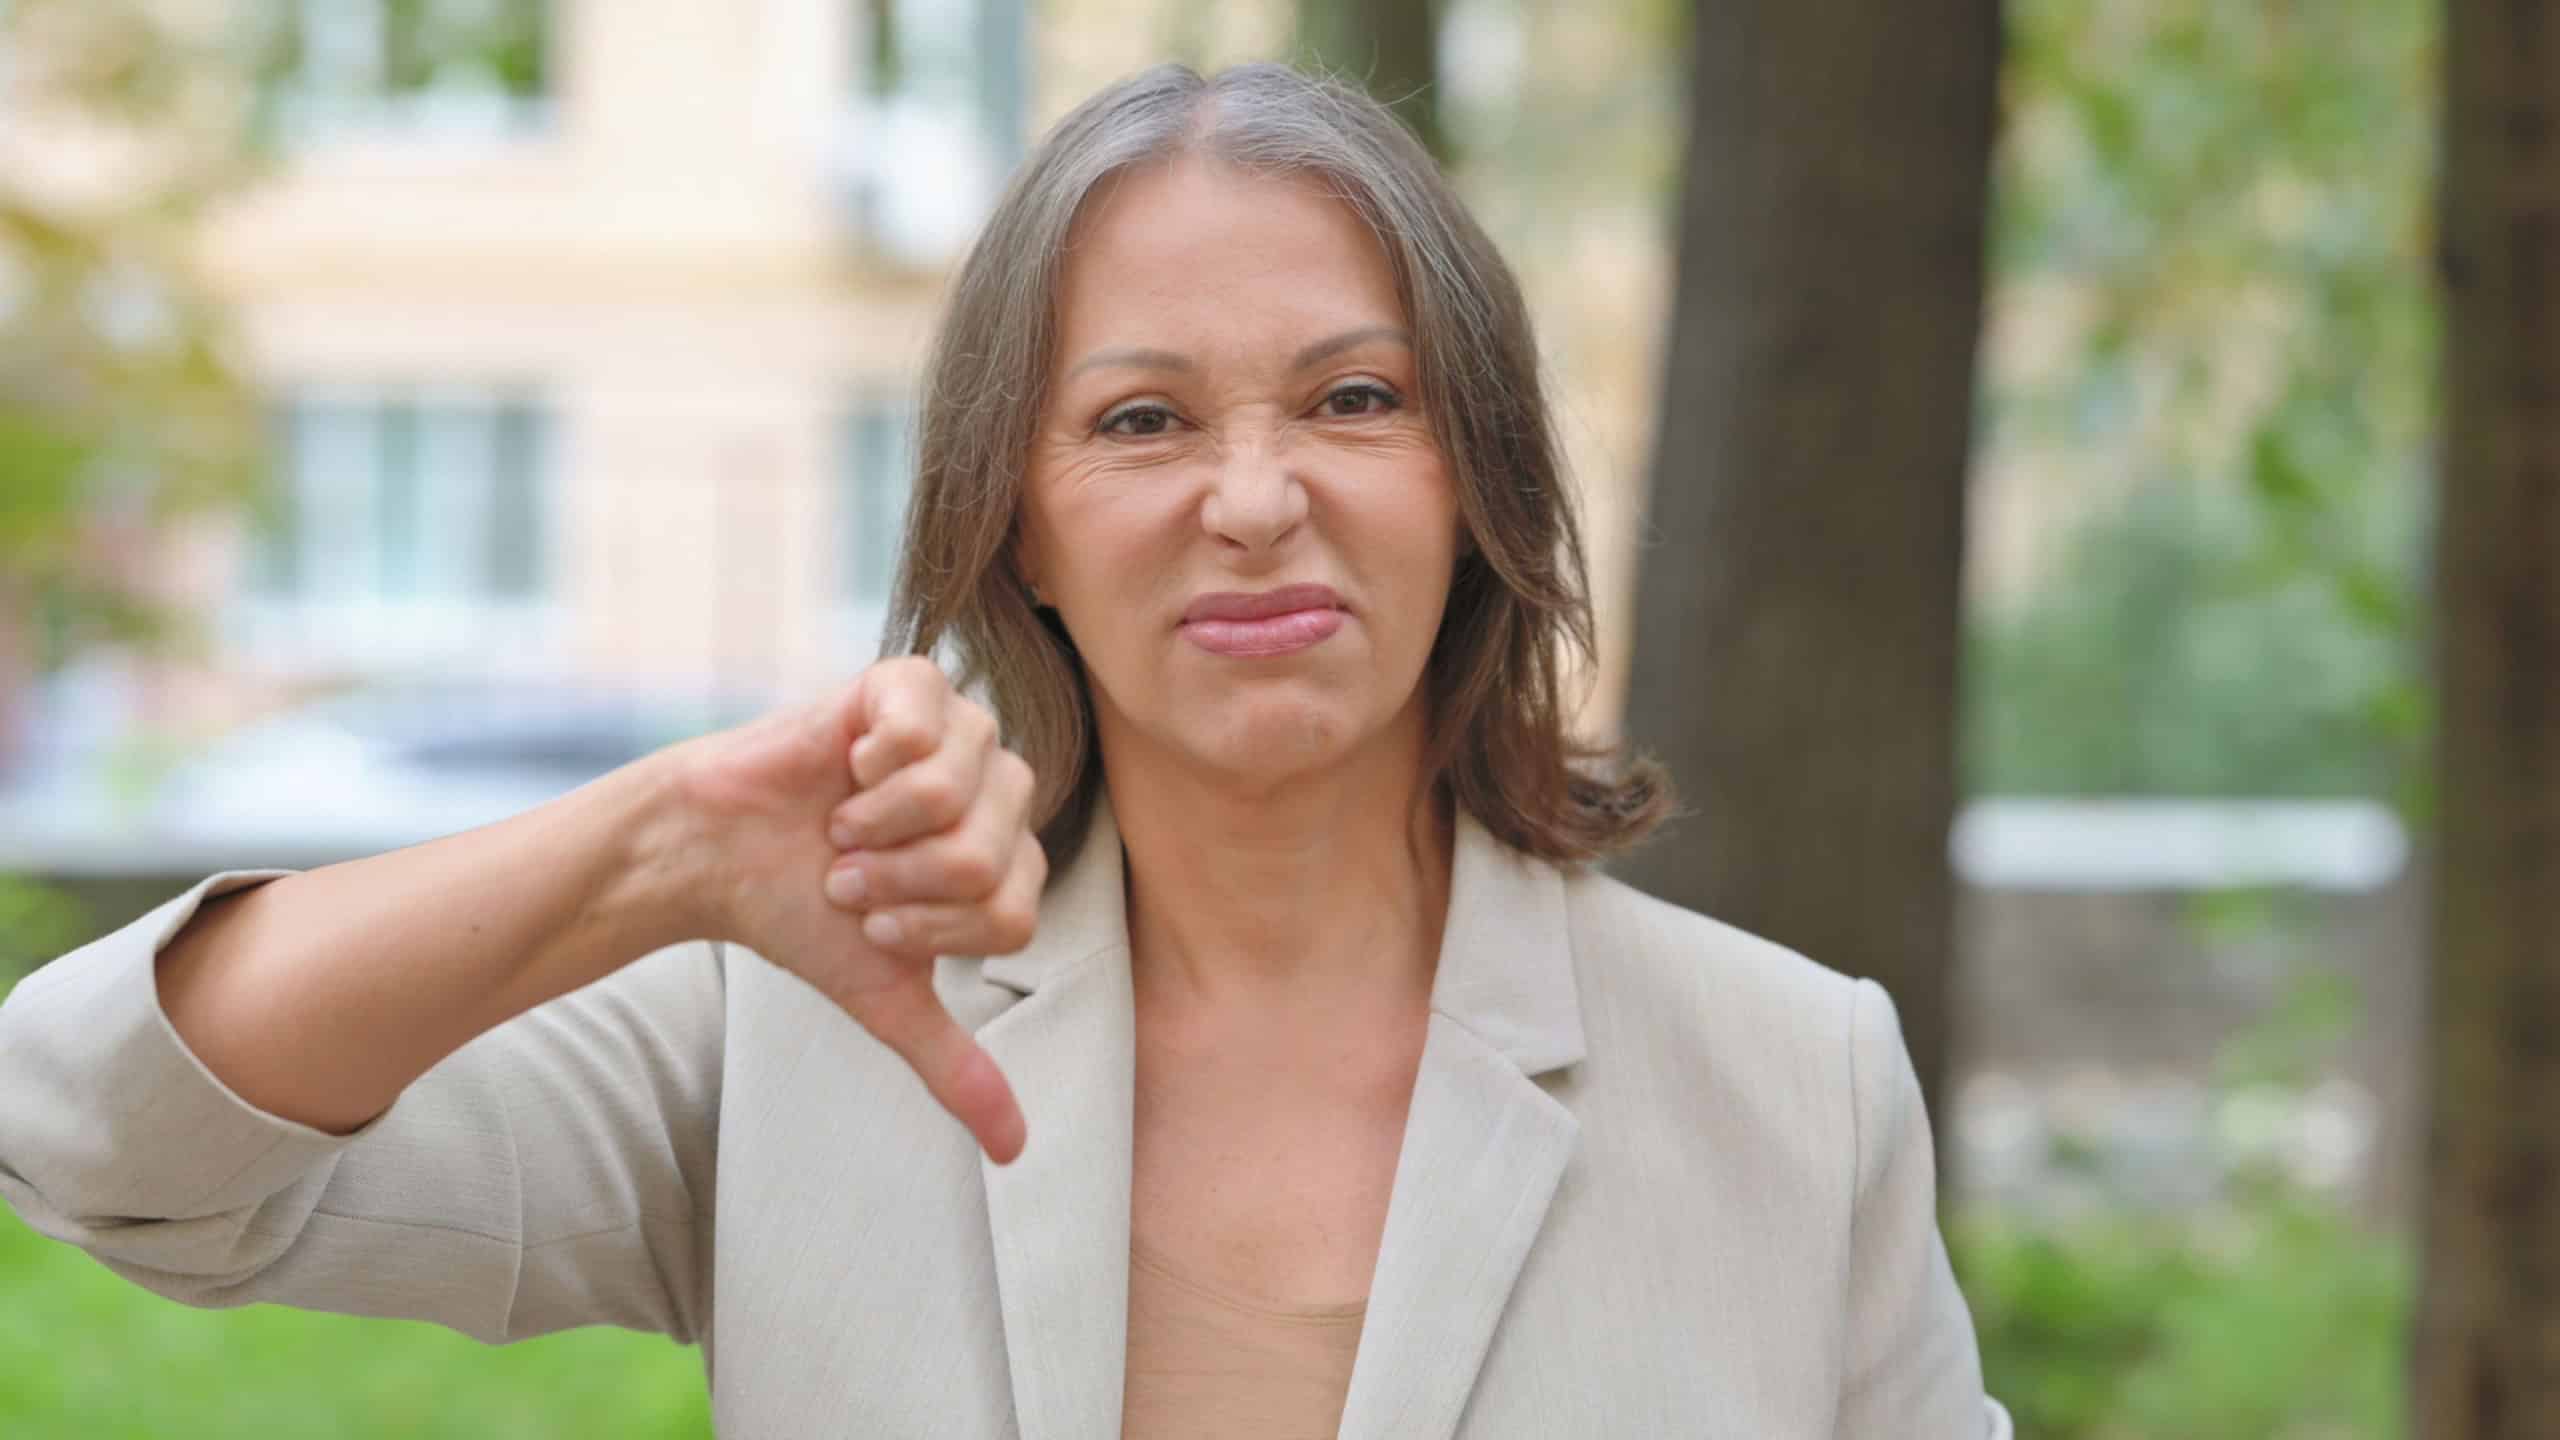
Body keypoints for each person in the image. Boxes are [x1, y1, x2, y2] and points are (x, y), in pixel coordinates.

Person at [0, 61, 2010, 1439]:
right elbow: (113, 1150)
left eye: (1352, 398)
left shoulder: (1790, 1085)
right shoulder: (794, 1028)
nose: (1250, 499)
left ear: (1474, 478)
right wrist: (661, 839)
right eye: (1140, 422)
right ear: (1015, 523)